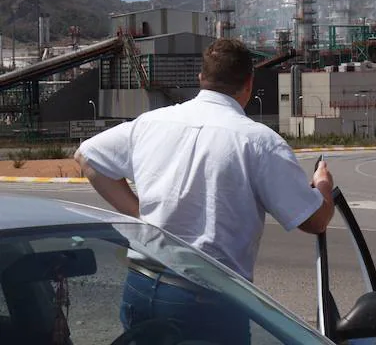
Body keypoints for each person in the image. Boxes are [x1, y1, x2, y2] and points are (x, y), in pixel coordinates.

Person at [75, 38, 334, 344]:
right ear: (248, 83)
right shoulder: (259, 142)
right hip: (207, 299)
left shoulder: (151, 123)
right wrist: (323, 185)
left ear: (201, 78)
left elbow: (87, 157)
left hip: (141, 286)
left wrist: (140, 215)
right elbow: (314, 221)